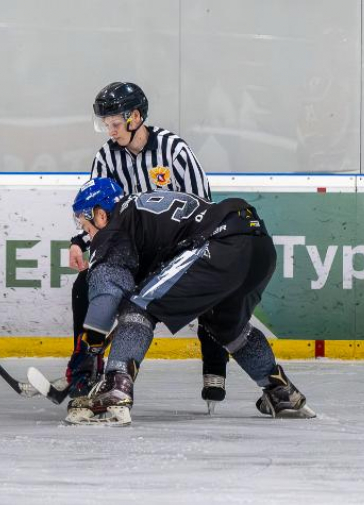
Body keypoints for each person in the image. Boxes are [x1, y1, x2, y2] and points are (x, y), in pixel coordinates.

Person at [65, 178, 315, 426]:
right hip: (257, 242)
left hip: (219, 243)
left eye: (85, 223)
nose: (86, 232)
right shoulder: (137, 210)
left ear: (100, 215)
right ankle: (280, 391)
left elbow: (107, 293)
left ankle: (116, 389)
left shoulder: (113, 230)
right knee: (225, 325)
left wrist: (89, 349)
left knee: (138, 306)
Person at [64, 82, 229, 410]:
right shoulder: (106, 157)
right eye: (105, 124)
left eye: (114, 123)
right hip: (132, 254)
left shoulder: (174, 151)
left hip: (178, 249)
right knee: (85, 286)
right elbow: (95, 210)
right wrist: (79, 242)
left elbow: (203, 208)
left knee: (213, 292)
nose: (109, 131)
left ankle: (215, 368)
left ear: (136, 116)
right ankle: (85, 365)